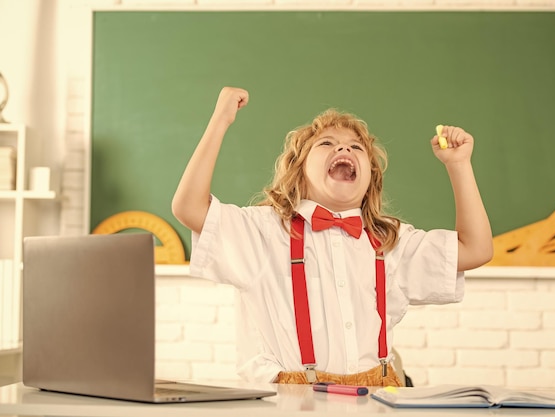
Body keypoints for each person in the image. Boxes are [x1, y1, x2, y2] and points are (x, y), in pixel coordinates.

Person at [172, 86, 493, 386]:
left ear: (370, 178)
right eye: (326, 143)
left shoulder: (391, 241)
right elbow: (189, 207)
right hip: (290, 404)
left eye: (356, 147)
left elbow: (476, 249)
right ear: (298, 170)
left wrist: (459, 165)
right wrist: (220, 121)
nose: (344, 147)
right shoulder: (263, 232)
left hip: (378, 398)